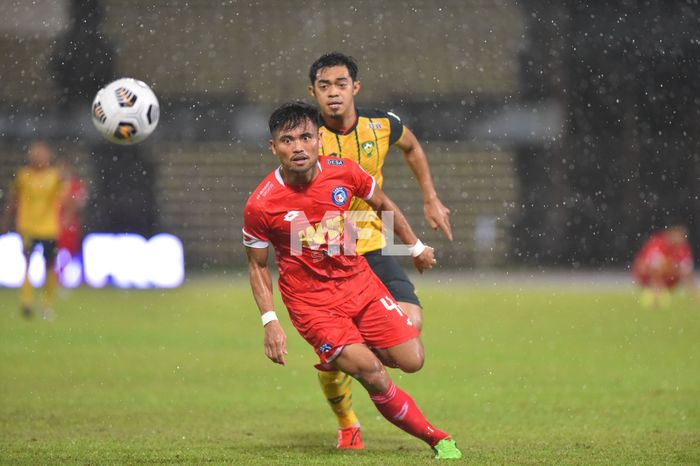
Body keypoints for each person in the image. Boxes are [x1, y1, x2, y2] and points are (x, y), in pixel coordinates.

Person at [243, 102, 462, 459]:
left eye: (305, 137)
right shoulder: (261, 204)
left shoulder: (343, 172)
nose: (297, 147)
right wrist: (270, 322)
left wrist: (415, 246)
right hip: (312, 304)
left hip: (359, 283)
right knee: (373, 372)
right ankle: (437, 439)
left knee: (412, 359)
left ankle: (341, 353)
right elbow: (256, 266)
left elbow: (382, 204)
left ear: (318, 140)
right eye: (287, 140)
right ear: (273, 147)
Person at [306, 52, 453, 449]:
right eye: (324, 86)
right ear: (313, 93)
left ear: (355, 88)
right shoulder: (307, 135)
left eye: (340, 84)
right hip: (327, 254)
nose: (333, 93)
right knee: (345, 346)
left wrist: (430, 198)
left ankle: (345, 356)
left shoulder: (382, 125)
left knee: (412, 322)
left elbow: (413, 146)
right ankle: (347, 421)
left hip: (371, 242)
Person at [1, 142, 67, 320]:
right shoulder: (23, 176)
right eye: (35, 154)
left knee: (50, 267)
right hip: (28, 227)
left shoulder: (54, 176)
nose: (38, 157)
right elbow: (12, 200)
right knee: (27, 264)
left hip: (49, 229)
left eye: (42, 154)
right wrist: (5, 220)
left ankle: (46, 304)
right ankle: (27, 301)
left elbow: (65, 199)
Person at [632, 224, 696, 308]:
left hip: (669, 279)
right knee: (652, 268)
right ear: (671, 234)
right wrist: (658, 288)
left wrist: (693, 296)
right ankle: (654, 294)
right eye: (678, 235)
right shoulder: (658, 243)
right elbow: (649, 266)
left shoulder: (683, 248)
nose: (680, 239)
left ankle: (694, 301)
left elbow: (687, 272)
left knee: (684, 272)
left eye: (682, 237)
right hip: (648, 278)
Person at [56, 157, 88, 277]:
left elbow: (80, 204)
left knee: (72, 251)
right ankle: (57, 277)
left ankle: (80, 277)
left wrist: (68, 216)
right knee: (55, 252)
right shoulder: (53, 185)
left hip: (71, 225)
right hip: (52, 224)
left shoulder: (76, 185)